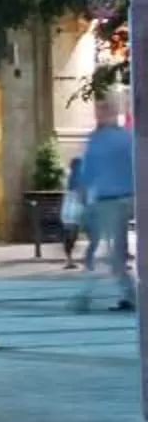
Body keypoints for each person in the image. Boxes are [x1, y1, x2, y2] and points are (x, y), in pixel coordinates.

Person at [82, 99, 136, 311]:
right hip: (123, 199)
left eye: (101, 111)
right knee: (111, 251)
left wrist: (81, 198)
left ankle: (127, 294)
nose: (98, 115)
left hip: (108, 201)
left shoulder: (99, 139)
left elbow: (87, 173)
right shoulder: (127, 138)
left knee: (104, 252)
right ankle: (127, 293)